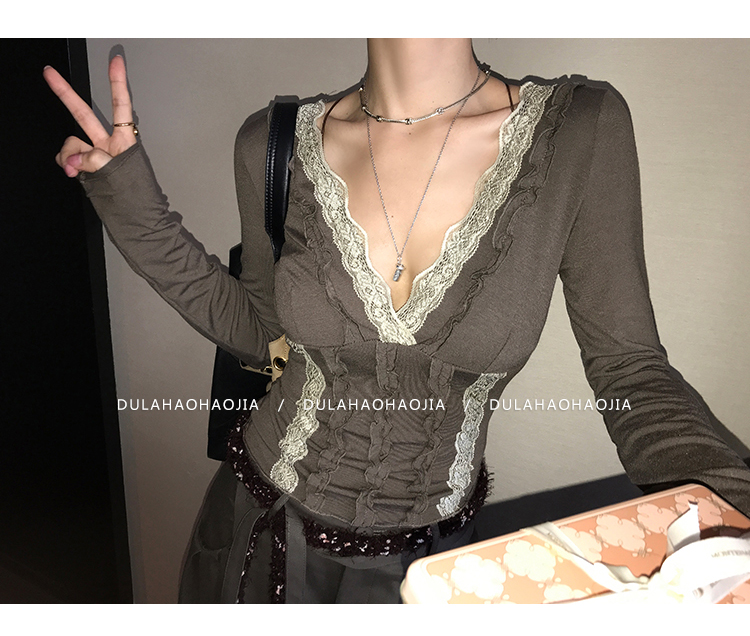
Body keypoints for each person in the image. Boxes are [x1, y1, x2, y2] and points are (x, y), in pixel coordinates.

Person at [44, 38, 750, 604]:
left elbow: (631, 370)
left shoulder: (581, 129)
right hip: (259, 530)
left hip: (430, 565)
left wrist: (733, 509)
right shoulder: (272, 141)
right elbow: (262, 334)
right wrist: (132, 206)